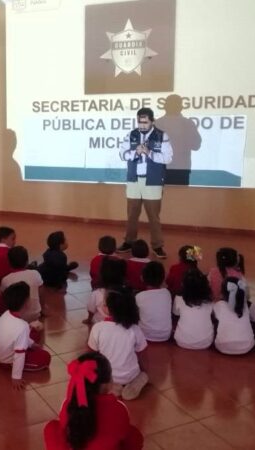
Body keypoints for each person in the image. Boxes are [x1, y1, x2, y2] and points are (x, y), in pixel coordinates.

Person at [43, 352, 143, 450]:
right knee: (134, 436)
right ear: (107, 384)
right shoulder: (120, 408)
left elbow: (64, 428)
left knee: (52, 428)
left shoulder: (68, 403)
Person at [116, 107, 173, 259]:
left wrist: (149, 153)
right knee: (132, 214)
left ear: (152, 121)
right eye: (139, 122)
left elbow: (168, 158)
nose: (142, 125)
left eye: (145, 122)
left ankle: (157, 246)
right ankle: (129, 242)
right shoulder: (131, 135)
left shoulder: (162, 136)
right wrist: (135, 152)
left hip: (153, 181)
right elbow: (122, 154)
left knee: (153, 216)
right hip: (134, 180)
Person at [87, 288, 149, 400]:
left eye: (104, 304)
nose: (102, 305)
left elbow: (92, 355)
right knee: (143, 375)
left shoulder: (98, 328)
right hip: (130, 375)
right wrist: (142, 369)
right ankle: (132, 385)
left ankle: (113, 388)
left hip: (107, 376)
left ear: (110, 309)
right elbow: (141, 353)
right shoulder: (134, 329)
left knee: (98, 379)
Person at [0, 282, 51, 390]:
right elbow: (19, 355)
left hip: (0, 355)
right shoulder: (22, 326)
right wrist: (16, 377)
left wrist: (31, 344)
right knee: (45, 357)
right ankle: (11, 366)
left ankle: (28, 344)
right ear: (26, 304)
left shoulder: (5, 315)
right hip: (7, 361)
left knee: (32, 336)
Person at [172, 269, 214, 350]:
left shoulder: (179, 298)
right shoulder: (209, 301)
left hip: (181, 341)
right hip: (206, 343)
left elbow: (175, 315)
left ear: (183, 285)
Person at [1, 246, 44, 322]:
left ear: (9, 263)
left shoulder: (5, 280)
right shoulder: (35, 273)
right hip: (35, 314)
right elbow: (41, 293)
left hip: (16, 317)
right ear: (27, 261)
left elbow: (6, 298)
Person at [214, 277, 255, 355]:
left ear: (222, 292)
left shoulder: (219, 305)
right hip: (247, 346)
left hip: (223, 346)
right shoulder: (245, 305)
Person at [136, 261, 172, 342]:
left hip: (145, 335)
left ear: (142, 278)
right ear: (163, 278)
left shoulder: (139, 296)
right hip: (165, 335)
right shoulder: (167, 293)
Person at [87, 258, 127, 324]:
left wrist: (89, 320)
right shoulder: (126, 292)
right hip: (120, 324)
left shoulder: (97, 293)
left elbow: (91, 310)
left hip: (100, 324)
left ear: (101, 275)